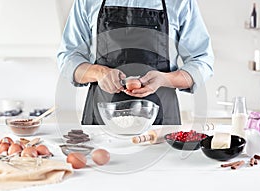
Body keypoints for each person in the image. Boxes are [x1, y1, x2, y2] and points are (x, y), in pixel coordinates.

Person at [57, 0, 214, 125]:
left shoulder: (181, 2)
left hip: (161, 120)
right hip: (101, 120)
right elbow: (68, 58)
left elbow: (202, 61)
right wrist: (100, 73)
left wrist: (165, 79)